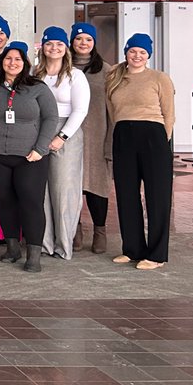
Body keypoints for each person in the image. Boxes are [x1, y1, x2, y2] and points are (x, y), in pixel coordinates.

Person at [0, 40, 61, 273]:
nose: (12, 63)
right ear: (2, 62)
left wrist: (40, 149)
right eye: (8, 59)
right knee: (5, 201)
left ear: (25, 63)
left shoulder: (38, 87)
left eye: (18, 59)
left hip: (30, 156)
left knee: (31, 202)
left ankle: (33, 253)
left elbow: (51, 118)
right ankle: (12, 247)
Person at [106, 33, 175, 270]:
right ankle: (132, 249)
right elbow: (111, 110)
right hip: (123, 134)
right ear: (126, 52)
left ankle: (156, 255)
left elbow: (169, 114)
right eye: (133, 51)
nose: (137, 56)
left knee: (157, 196)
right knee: (126, 194)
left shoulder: (159, 78)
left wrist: (161, 140)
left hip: (153, 136)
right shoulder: (115, 78)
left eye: (142, 52)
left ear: (148, 56)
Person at [35, 27, 90, 261]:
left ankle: (63, 244)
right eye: (49, 44)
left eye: (59, 44)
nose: (54, 48)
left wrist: (62, 136)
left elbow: (80, 110)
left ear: (65, 48)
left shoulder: (75, 75)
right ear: (43, 47)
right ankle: (44, 243)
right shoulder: (34, 73)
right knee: (42, 192)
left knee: (64, 190)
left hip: (66, 132)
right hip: (38, 132)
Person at [70, 22, 112, 254]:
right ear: (72, 42)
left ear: (94, 43)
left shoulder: (106, 70)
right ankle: (75, 230)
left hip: (97, 136)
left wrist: (110, 143)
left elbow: (112, 109)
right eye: (78, 39)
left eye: (88, 39)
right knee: (71, 186)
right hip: (70, 138)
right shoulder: (63, 67)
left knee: (97, 187)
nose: (83, 43)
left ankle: (100, 231)